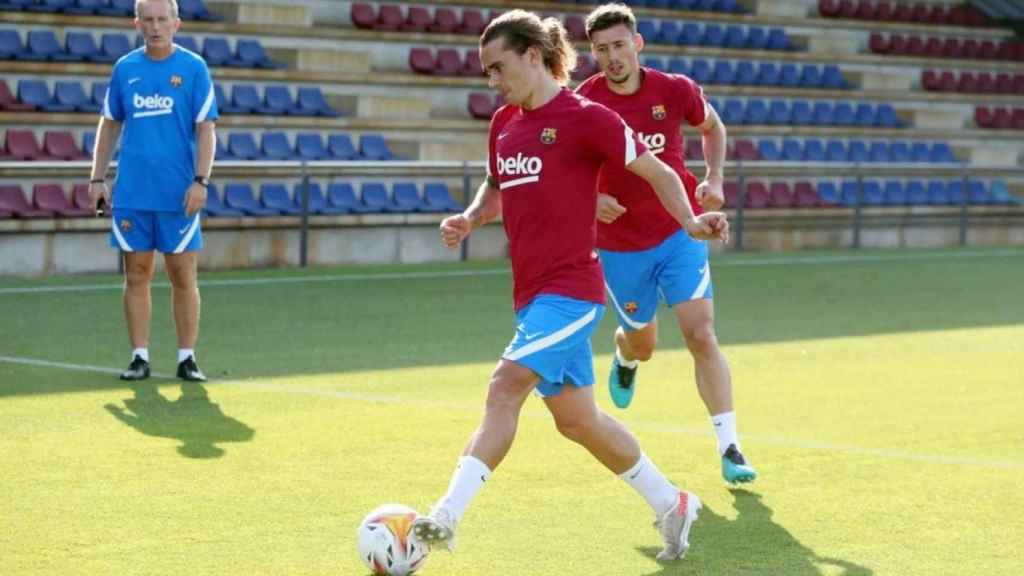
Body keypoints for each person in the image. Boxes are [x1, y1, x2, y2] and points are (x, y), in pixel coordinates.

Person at [410, 10, 729, 563]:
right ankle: (672, 502)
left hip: (574, 289)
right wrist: (469, 218)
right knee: (578, 422)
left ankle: (445, 515)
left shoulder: (589, 117)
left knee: (504, 386)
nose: (492, 80)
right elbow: (496, 187)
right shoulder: (503, 122)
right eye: (486, 71)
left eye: (497, 67)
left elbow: (657, 171)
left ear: (533, 56)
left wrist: (691, 223)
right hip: (531, 294)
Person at [576, 3, 756, 485]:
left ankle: (731, 447)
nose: (612, 57)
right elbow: (564, 168)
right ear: (591, 54)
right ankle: (626, 354)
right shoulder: (584, 102)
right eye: (601, 49)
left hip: (680, 231)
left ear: (637, 44)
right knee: (645, 342)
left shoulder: (674, 90)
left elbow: (712, 127)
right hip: (619, 246)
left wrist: (714, 178)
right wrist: (592, 197)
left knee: (700, 333)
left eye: (619, 45)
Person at [88, 0, 217, 382]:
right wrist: (97, 178)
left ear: (176, 24)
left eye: (163, 20)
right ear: (137, 23)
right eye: (148, 20)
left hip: (179, 194)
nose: (155, 27)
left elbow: (207, 129)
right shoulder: (125, 69)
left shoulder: (194, 68)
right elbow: (109, 124)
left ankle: (187, 357)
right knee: (137, 274)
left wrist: (201, 181)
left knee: (182, 275)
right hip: (133, 193)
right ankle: (139, 356)